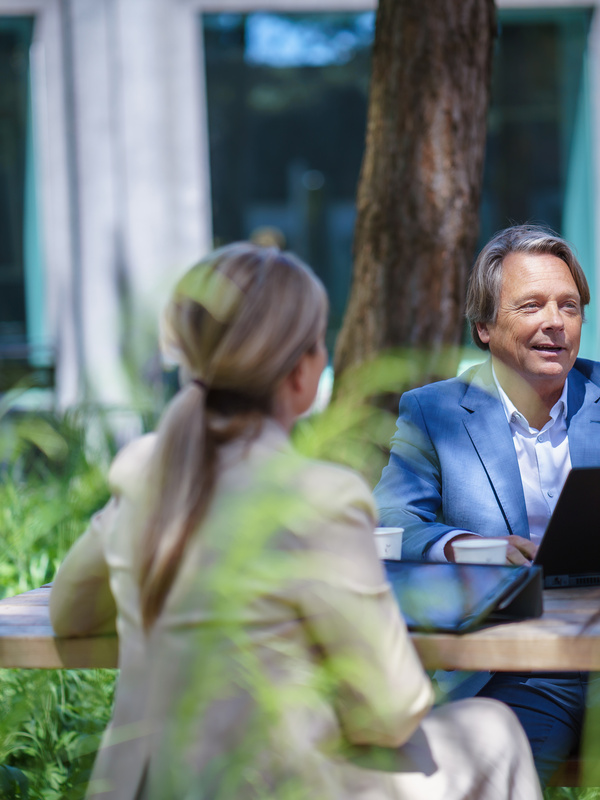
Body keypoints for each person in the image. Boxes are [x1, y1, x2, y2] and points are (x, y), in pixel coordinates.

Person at [50, 243, 541, 800]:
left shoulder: (143, 473)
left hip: (150, 786)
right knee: (494, 728)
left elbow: (70, 612)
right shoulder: (319, 500)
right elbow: (392, 711)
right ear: (303, 371)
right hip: (284, 788)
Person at [374, 223, 600, 785]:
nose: (555, 322)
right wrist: (470, 547)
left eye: (568, 306)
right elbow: (389, 522)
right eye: (531, 306)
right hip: (515, 671)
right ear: (484, 327)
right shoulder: (434, 411)